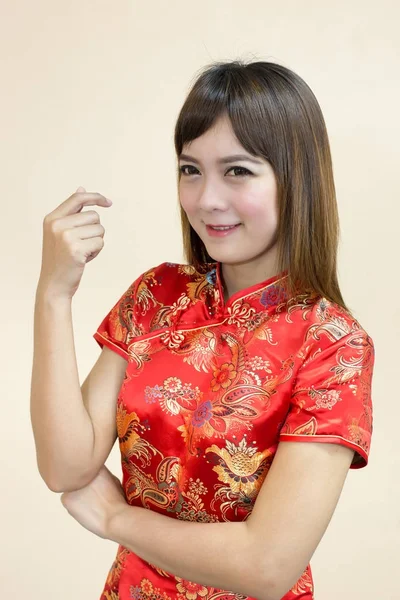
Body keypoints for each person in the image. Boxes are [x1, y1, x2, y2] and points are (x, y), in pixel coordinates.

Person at [30, 60, 375, 600]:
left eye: (237, 171)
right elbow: (66, 466)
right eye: (191, 169)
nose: (206, 199)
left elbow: (266, 566)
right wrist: (53, 295)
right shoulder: (157, 296)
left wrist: (118, 520)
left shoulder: (331, 344)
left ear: (296, 178)